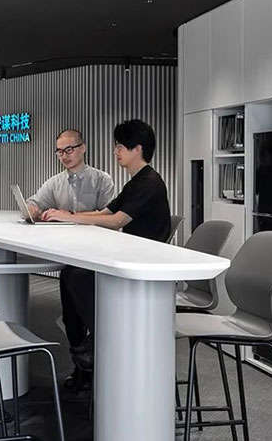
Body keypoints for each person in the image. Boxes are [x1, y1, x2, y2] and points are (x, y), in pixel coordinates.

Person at [43, 119, 172, 373]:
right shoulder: (135, 181)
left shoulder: (149, 182)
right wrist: (67, 214)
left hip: (141, 265)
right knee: (71, 274)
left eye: (120, 147)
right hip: (130, 257)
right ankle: (83, 350)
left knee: (78, 277)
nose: (116, 151)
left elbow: (116, 221)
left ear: (138, 149)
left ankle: (104, 338)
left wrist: (69, 217)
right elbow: (105, 212)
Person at [26, 128, 114, 391]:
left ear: (83, 148)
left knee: (86, 310)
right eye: (59, 151)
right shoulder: (55, 183)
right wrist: (32, 209)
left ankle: (98, 361)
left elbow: (109, 216)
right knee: (70, 315)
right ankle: (81, 366)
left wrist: (70, 215)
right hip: (70, 256)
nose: (64, 155)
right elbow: (34, 201)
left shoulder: (102, 180)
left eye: (69, 149)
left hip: (97, 256)